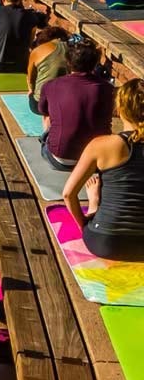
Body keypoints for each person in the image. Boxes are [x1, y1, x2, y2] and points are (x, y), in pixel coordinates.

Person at [64, 78, 144, 261]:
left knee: (96, 204)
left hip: (104, 242)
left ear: (120, 109)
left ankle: (94, 202)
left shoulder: (102, 145)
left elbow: (68, 194)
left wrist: (84, 224)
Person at [39, 38, 115, 169]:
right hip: (96, 158)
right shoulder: (108, 89)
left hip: (59, 159)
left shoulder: (50, 85)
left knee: (47, 115)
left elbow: (44, 111)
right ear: (96, 63)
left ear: (68, 62)